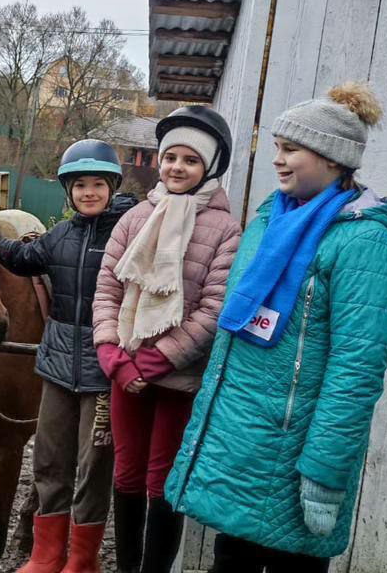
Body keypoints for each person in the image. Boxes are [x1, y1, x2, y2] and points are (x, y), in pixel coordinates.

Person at [164, 83, 387, 572]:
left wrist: (324, 470)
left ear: (332, 159)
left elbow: (356, 371)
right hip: (242, 446)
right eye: (277, 147)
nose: (277, 160)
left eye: (290, 149)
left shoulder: (365, 244)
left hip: (295, 455)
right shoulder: (267, 222)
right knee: (229, 561)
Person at [92, 107, 242, 573]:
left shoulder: (225, 230)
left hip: (176, 378)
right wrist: (113, 356)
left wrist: (154, 363)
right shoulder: (134, 218)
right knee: (127, 473)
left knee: (163, 480)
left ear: (210, 167)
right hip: (124, 372)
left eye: (190, 160)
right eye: (170, 157)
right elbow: (107, 290)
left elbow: (214, 310)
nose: (177, 167)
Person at [0, 139, 138, 573]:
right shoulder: (62, 234)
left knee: (92, 468)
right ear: (68, 190)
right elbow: (22, 258)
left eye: (98, 184)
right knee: (49, 460)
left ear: (112, 187)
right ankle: (46, 554)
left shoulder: (129, 234)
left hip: (102, 371)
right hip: (57, 368)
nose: (89, 192)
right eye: (80, 185)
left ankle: (82, 559)